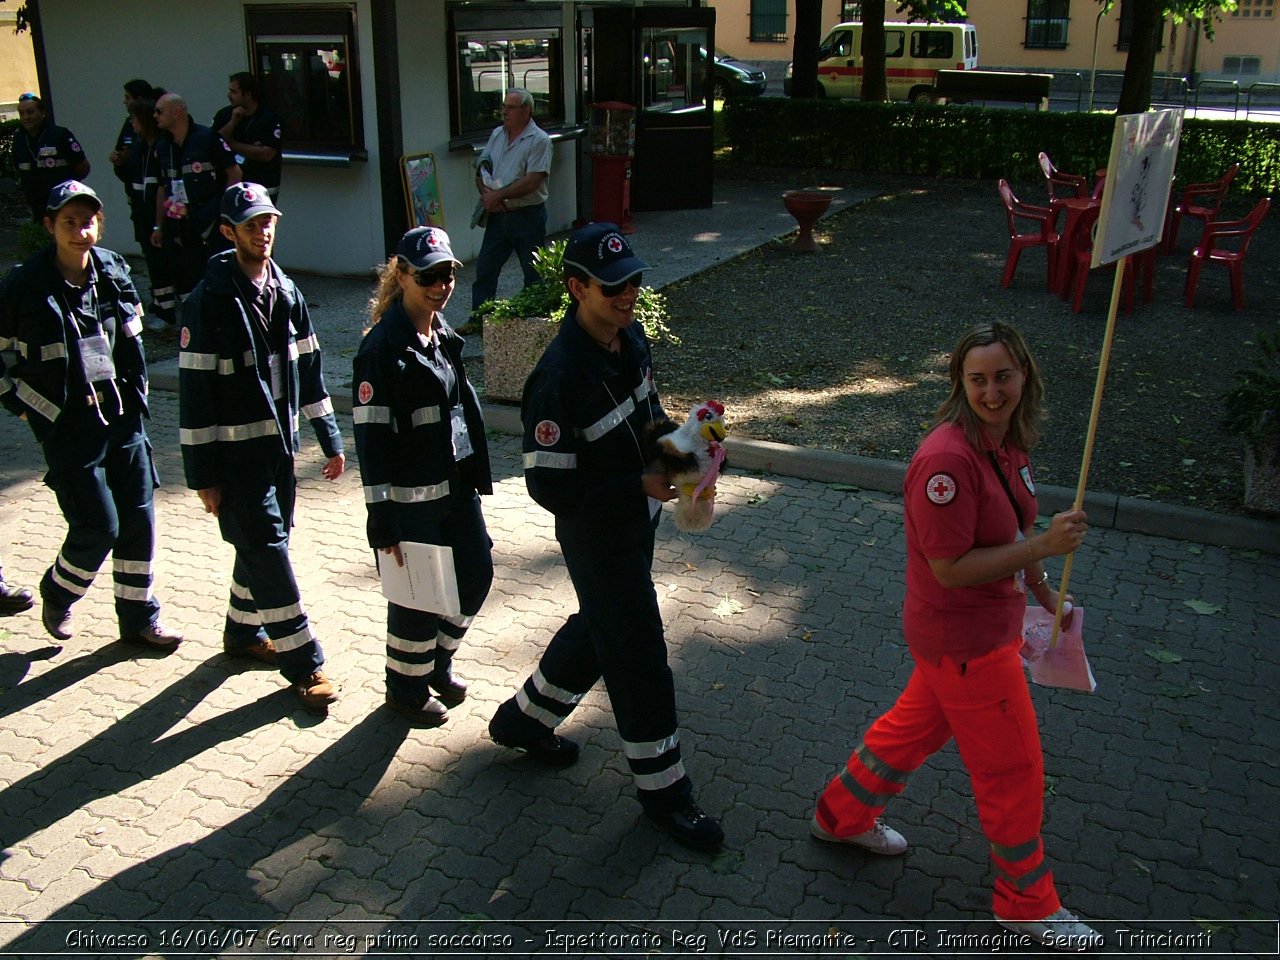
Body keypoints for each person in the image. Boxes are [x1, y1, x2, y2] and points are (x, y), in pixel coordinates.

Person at [809, 321, 1102, 951]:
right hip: (964, 642)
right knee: (1015, 769)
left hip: (971, 636)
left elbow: (1010, 529)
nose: (992, 392)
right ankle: (1026, 903)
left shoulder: (1004, 442)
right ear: (959, 383)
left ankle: (840, 815)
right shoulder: (947, 459)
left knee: (913, 728)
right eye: (978, 380)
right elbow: (951, 567)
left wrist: (1042, 581)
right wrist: (1043, 544)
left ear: (1025, 376)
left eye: (1003, 377)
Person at [488, 222, 724, 853]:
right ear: (576, 288)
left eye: (634, 283)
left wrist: (687, 450)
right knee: (638, 652)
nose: (629, 296)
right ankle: (666, 794)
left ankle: (522, 722)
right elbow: (548, 489)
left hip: (635, 524)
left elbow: (647, 424)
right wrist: (636, 488)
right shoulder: (558, 376)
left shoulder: (632, 340)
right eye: (614, 287)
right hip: (597, 536)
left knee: (601, 627)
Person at [178, 182, 344, 713]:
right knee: (269, 549)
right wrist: (203, 475)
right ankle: (305, 664)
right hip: (234, 460)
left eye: (268, 221)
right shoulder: (207, 303)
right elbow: (195, 397)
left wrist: (329, 439)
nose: (263, 232)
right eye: (251, 224)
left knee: (262, 543)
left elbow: (310, 371)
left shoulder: (286, 291)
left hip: (280, 454)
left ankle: (241, 633)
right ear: (229, 232)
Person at [0, 181, 181, 650]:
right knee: (98, 526)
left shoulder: (113, 270)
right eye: (69, 223)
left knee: (138, 519)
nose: (81, 232)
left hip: (121, 416)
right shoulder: (23, 285)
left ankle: (139, 618)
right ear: (49, 226)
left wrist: (137, 396)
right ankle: (60, 591)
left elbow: (131, 341)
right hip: (67, 424)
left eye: (88, 222)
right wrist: (21, 403)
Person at [353, 227, 494, 726]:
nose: (441, 285)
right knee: (417, 598)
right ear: (403, 275)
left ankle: (436, 660)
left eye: (448, 274)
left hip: (455, 491)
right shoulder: (381, 350)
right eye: (429, 276)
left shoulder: (440, 335)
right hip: (410, 501)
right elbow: (370, 443)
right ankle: (405, 688)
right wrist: (381, 517)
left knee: (477, 575)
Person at [469, 88, 552, 322]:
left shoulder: (539, 140)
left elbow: (533, 180)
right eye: (504, 106)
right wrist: (486, 194)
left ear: (526, 110)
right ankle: (479, 318)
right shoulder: (498, 134)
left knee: (533, 271)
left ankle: (534, 320)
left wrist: (499, 196)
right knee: (486, 268)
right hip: (498, 214)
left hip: (527, 215)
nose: (504, 112)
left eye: (510, 107)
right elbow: (483, 165)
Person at [151, 93, 242, 303]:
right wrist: (158, 226)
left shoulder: (207, 138)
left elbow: (235, 174)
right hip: (179, 226)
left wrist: (224, 212)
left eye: (159, 111)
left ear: (177, 112)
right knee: (187, 279)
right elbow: (161, 188)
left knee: (218, 274)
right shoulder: (162, 146)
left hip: (210, 222)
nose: (155, 116)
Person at [120, 99, 178, 330]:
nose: (131, 123)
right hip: (142, 215)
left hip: (160, 218)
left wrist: (158, 225)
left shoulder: (162, 147)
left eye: (135, 118)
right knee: (154, 264)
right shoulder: (139, 147)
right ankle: (161, 306)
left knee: (165, 263)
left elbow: (162, 188)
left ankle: (168, 313)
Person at [10, 93, 91, 223]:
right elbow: (18, 168)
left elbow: (83, 167)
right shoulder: (19, 139)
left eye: (30, 112)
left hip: (63, 202)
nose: (26, 117)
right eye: (22, 113)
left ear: (42, 113)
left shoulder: (60, 135)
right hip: (36, 205)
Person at [213, 72, 284, 202]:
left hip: (262, 187)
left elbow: (267, 154)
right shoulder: (224, 115)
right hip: (232, 186)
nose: (229, 95)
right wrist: (233, 122)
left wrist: (232, 144)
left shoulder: (269, 119)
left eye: (234, 92)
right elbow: (214, 144)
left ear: (248, 94)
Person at [108, 79, 158, 194]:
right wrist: (119, 162)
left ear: (139, 99)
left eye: (128, 97)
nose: (124, 102)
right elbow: (120, 152)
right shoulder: (128, 123)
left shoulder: (159, 130)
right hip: (134, 190)